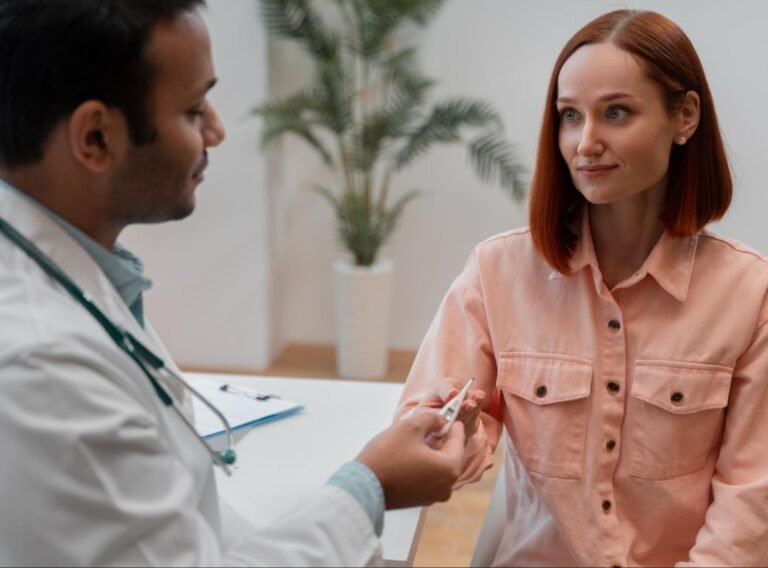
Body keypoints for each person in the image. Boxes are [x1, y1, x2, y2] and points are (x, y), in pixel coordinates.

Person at [0, 1, 466, 566]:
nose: (217, 132)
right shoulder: (42, 364)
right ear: (95, 137)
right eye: (195, 110)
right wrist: (370, 485)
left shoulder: (77, 280)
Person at [397, 9, 768, 567]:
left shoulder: (749, 294)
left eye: (616, 112)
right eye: (570, 116)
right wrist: (457, 437)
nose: (585, 142)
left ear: (685, 116)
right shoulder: (497, 273)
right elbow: (423, 432)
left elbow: (750, 500)